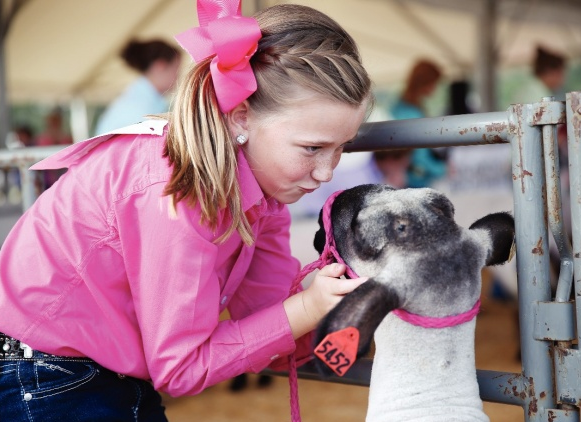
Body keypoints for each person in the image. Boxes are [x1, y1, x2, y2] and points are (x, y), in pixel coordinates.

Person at [0, 2, 371, 421]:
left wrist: (346, 312)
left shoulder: (266, 196)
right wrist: (308, 309)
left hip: (91, 375)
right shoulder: (178, 189)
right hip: (47, 377)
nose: (326, 172)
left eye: (341, 148)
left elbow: (268, 322)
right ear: (241, 116)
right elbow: (181, 369)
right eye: (313, 148)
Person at [94, 38, 181, 135]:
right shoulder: (139, 105)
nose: (178, 77)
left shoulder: (140, 98)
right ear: (160, 66)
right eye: (176, 69)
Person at [391, 59, 447, 188]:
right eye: (434, 83)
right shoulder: (411, 112)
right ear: (425, 82)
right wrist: (442, 169)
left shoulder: (400, 107)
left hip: (408, 180)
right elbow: (418, 157)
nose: (435, 88)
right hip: (414, 182)